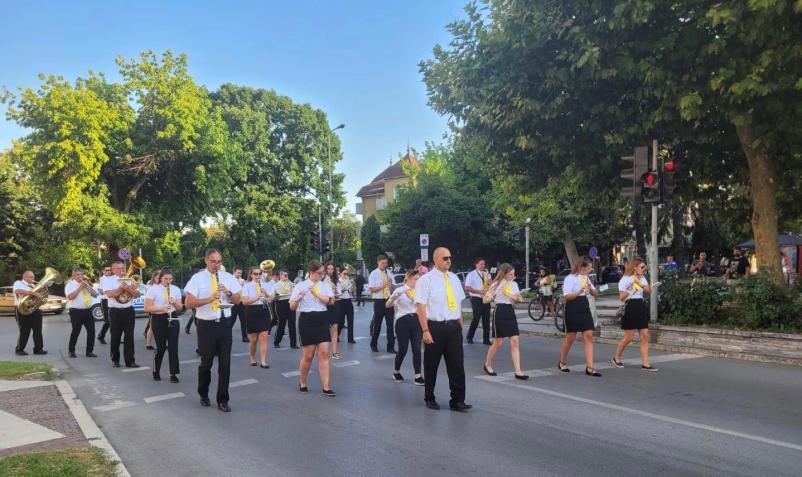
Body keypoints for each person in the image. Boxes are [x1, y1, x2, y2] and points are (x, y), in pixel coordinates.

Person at [184, 249, 242, 412]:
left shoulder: (228, 277)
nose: (216, 265)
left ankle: (223, 399)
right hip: (206, 325)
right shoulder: (197, 278)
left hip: (224, 323)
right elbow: (188, 303)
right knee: (206, 363)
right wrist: (209, 299)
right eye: (213, 261)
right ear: (206, 260)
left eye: (219, 261)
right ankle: (203, 393)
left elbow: (238, 300)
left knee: (225, 363)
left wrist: (228, 292)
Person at [415, 247, 471, 412]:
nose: (448, 261)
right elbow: (421, 306)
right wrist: (425, 330)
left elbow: (458, 304)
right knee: (431, 365)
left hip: (453, 326)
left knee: (457, 365)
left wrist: (460, 326)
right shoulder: (426, 280)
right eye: (445, 258)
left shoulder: (454, 278)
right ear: (435, 260)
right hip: (435, 326)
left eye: (450, 258)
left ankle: (458, 400)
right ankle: (429, 397)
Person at [290, 260, 336, 396]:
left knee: (323, 354)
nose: (322, 275)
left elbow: (331, 301)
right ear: (311, 272)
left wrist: (317, 294)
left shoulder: (324, 285)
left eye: (323, 273)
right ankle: (302, 382)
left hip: (322, 318)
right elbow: (292, 306)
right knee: (308, 355)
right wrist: (298, 298)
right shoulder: (301, 286)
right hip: (307, 319)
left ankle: (326, 387)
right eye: (319, 273)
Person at [482, 264, 529, 380]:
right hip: (500, 311)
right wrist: (491, 296)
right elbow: (485, 300)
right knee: (498, 343)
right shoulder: (496, 284)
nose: (513, 276)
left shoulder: (514, 284)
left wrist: (508, 293)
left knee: (515, 340)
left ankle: (518, 371)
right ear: (504, 274)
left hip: (510, 311)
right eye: (510, 274)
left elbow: (519, 299)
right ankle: (487, 365)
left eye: (513, 274)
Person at [612, 257, 657, 372]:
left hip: (640, 305)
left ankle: (645, 364)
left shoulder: (642, 278)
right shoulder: (625, 279)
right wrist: (631, 286)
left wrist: (640, 284)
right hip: (630, 306)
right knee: (629, 337)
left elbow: (649, 291)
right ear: (635, 267)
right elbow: (622, 298)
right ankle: (616, 357)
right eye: (642, 267)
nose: (643, 269)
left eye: (644, 267)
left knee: (645, 335)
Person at [558, 258, 601, 377]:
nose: (591, 269)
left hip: (584, 306)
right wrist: (580, 291)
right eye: (589, 267)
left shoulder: (586, 278)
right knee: (571, 337)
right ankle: (562, 362)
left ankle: (590, 367)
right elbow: (567, 296)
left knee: (588, 335)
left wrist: (590, 288)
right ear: (582, 267)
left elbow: (596, 293)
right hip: (573, 307)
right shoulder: (570, 278)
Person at [144, 268, 184, 382]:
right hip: (158, 317)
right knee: (161, 347)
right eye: (166, 279)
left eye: (170, 279)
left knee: (173, 347)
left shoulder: (175, 289)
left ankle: (173, 374)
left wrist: (174, 303)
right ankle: (156, 371)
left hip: (173, 316)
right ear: (160, 278)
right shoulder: (153, 289)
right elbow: (147, 308)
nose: (168, 281)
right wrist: (162, 308)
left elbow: (180, 308)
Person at [386, 269, 424, 385]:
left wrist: (413, 298)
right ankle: (396, 371)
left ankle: (418, 375)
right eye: (415, 279)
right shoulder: (400, 290)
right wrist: (394, 297)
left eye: (418, 279)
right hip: (402, 321)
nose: (417, 282)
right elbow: (387, 305)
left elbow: (422, 305)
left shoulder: (419, 291)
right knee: (403, 349)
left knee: (417, 349)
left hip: (416, 320)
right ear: (408, 279)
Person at [102, 261, 141, 368]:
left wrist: (129, 289)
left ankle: (130, 361)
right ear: (113, 270)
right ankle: (115, 360)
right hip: (115, 311)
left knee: (129, 337)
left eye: (123, 268)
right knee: (115, 337)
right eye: (119, 268)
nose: (122, 270)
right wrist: (122, 288)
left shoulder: (130, 280)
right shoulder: (108, 280)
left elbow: (137, 294)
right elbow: (110, 294)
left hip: (129, 311)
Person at [237, 266, 271, 368]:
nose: (258, 276)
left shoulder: (265, 285)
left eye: (260, 273)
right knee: (253, 340)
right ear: (251, 275)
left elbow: (271, 299)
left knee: (264, 336)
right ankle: (252, 357)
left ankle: (263, 361)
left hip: (263, 310)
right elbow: (245, 302)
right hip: (251, 311)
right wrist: (257, 297)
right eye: (256, 274)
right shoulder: (246, 286)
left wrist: (266, 294)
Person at [65, 268, 98, 358]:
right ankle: (71, 351)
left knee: (91, 331)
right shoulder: (70, 285)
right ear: (73, 276)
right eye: (78, 274)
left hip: (88, 310)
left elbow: (95, 295)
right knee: (76, 331)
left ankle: (89, 351)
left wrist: (88, 286)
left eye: (81, 274)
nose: (80, 276)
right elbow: (70, 297)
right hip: (76, 311)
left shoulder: (86, 283)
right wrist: (80, 287)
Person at [12, 271, 47, 356]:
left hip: (34, 309)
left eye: (33, 277)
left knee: (38, 331)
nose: (33, 279)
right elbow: (18, 291)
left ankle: (38, 349)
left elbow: (37, 298)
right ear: (25, 277)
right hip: (22, 309)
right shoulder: (18, 283)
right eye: (31, 277)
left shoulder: (33, 286)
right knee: (24, 330)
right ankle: (19, 349)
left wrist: (42, 300)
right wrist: (33, 293)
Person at [369, 255, 396, 353]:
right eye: (383, 263)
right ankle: (373, 344)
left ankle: (391, 347)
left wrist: (391, 285)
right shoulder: (373, 274)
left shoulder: (389, 272)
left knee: (390, 324)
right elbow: (372, 289)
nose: (385, 265)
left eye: (386, 263)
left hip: (388, 300)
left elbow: (394, 287)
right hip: (379, 301)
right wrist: (383, 286)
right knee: (378, 324)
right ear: (378, 262)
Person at [464, 257, 492, 345]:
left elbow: (491, 285)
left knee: (486, 319)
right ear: (476, 264)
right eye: (481, 264)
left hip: (486, 298)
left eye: (484, 264)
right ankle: (469, 337)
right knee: (476, 318)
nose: (483, 265)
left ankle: (486, 339)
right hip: (476, 299)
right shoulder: (471, 274)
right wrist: (479, 291)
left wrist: (490, 283)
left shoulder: (487, 274)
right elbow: (467, 288)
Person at [273, 270, 297, 348]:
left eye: (287, 275)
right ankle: (276, 342)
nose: (286, 277)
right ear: (280, 275)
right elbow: (273, 296)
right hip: (280, 303)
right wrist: (276, 296)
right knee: (281, 323)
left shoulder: (290, 284)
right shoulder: (276, 285)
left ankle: (293, 344)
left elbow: (295, 291)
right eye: (285, 275)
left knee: (292, 323)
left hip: (290, 302)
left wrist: (293, 285)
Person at [227, 266, 249, 343]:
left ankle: (244, 337)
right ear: (234, 272)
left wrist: (245, 284)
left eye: (240, 273)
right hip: (233, 303)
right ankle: (227, 336)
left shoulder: (242, 280)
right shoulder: (229, 280)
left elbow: (244, 291)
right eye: (238, 273)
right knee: (231, 320)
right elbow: (229, 292)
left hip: (241, 303)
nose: (239, 274)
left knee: (244, 320)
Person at [143, 270, 161, 350]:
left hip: (162, 308)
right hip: (153, 308)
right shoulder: (149, 286)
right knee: (152, 327)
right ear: (154, 277)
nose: (159, 279)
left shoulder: (163, 286)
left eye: (160, 278)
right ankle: (148, 344)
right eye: (157, 278)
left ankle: (163, 343)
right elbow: (149, 299)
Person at [337, 268, 356, 344]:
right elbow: (339, 292)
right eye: (344, 273)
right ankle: (336, 335)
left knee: (350, 320)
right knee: (341, 321)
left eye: (347, 274)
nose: (346, 275)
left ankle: (350, 338)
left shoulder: (348, 281)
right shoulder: (338, 281)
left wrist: (352, 286)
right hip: (341, 301)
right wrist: (344, 288)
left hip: (348, 300)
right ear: (340, 274)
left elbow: (352, 291)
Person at [96, 265, 113, 344]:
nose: (109, 271)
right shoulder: (101, 279)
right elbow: (99, 290)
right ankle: (101, 336)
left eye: (110, 270)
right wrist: (106, 291)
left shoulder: (113, 278)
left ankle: (115, 337)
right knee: (107, 321)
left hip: (112, 300)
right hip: (105, 301)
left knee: (114, 321)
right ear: (103, 271)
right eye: (107, 270)